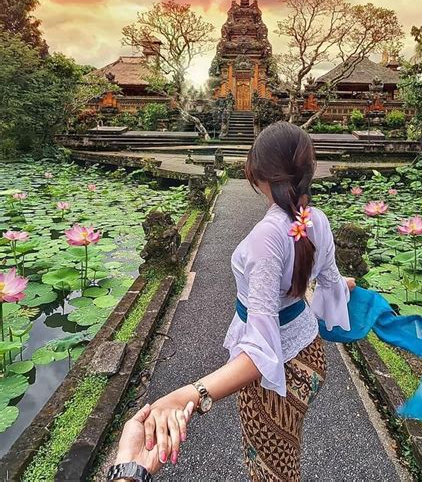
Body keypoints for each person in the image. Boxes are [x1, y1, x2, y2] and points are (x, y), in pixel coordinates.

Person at [111, 122, 355, 481]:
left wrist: (186, 395)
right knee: (286, 455)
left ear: (258, 176)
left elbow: (260, 354)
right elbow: (333, 282)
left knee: (271, 470)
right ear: (309, 170)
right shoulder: (316, 219)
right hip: (311, 356)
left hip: (278, 378)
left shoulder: (266, 240)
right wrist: (350, 286)